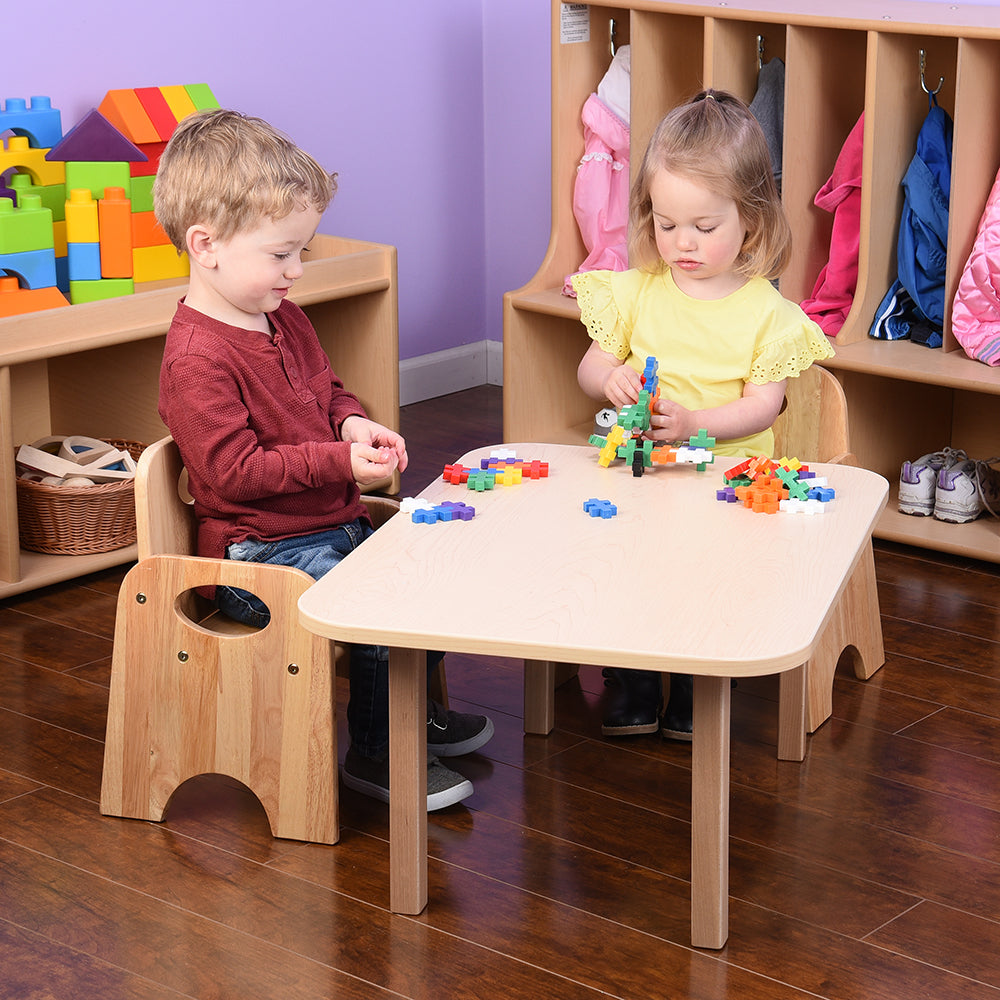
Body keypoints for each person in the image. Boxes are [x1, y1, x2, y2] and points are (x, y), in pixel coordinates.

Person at [153, 109, 493, 810]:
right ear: (206, 245)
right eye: (281, 255)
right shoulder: (196, 358)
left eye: (300, 251)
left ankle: (412, 717)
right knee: (373, 605)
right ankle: (377, 752)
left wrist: (353, 420)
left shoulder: (283, 315)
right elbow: (234, 473)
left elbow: (325, 389)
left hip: (325, 529)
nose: (296, 271)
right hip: (253, 560)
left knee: (427, 570)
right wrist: (339, 462)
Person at [573, 89, 834, 740]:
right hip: (644, 470)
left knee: (705, 581)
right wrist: (611, 376)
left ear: (749, 220)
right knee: (621, 561)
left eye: (703, 227)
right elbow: (588, 368)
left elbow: (761, 406)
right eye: (665, 224)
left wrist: (694, 425)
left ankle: (696, 685)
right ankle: (631, 680)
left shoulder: (765, 314)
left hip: (730, 479)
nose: (681, 242)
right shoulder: (636, 293)